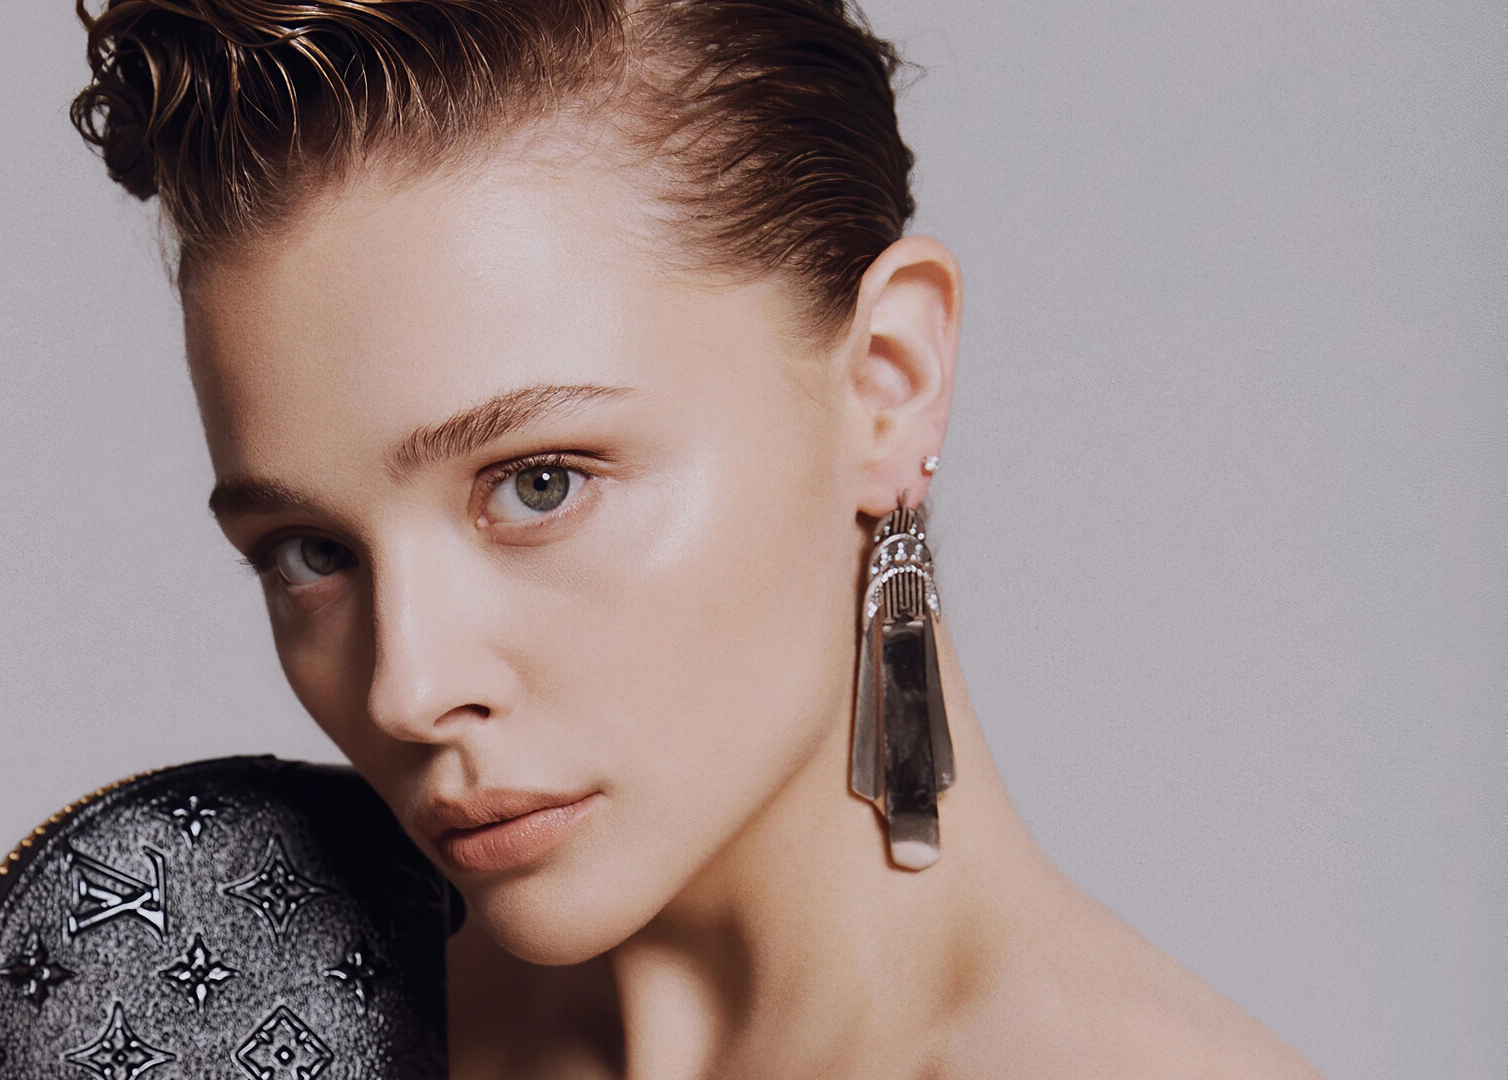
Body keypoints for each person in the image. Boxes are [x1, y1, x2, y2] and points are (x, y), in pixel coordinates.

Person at [67, 0, 1324, 1075]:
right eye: (310, 552)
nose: (408, 689)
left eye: (539, 485)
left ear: (886, 382)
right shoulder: (246, 1030)